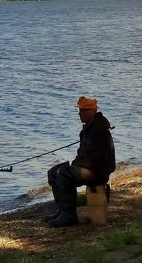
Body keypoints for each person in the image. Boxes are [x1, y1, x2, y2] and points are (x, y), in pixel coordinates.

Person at [45, 96, 116, 228]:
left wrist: (75, 167)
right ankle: (62, 210)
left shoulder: (99, 130)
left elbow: (96, 159)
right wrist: (75, 166)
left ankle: (69, 216)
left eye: (82, 111)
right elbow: (82, 155)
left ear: (91, 111)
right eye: (79, 110)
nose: (79, 114)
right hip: (88, 169)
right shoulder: (87, 130)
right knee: (53, 172)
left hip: (98, 173)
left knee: (64, 173)